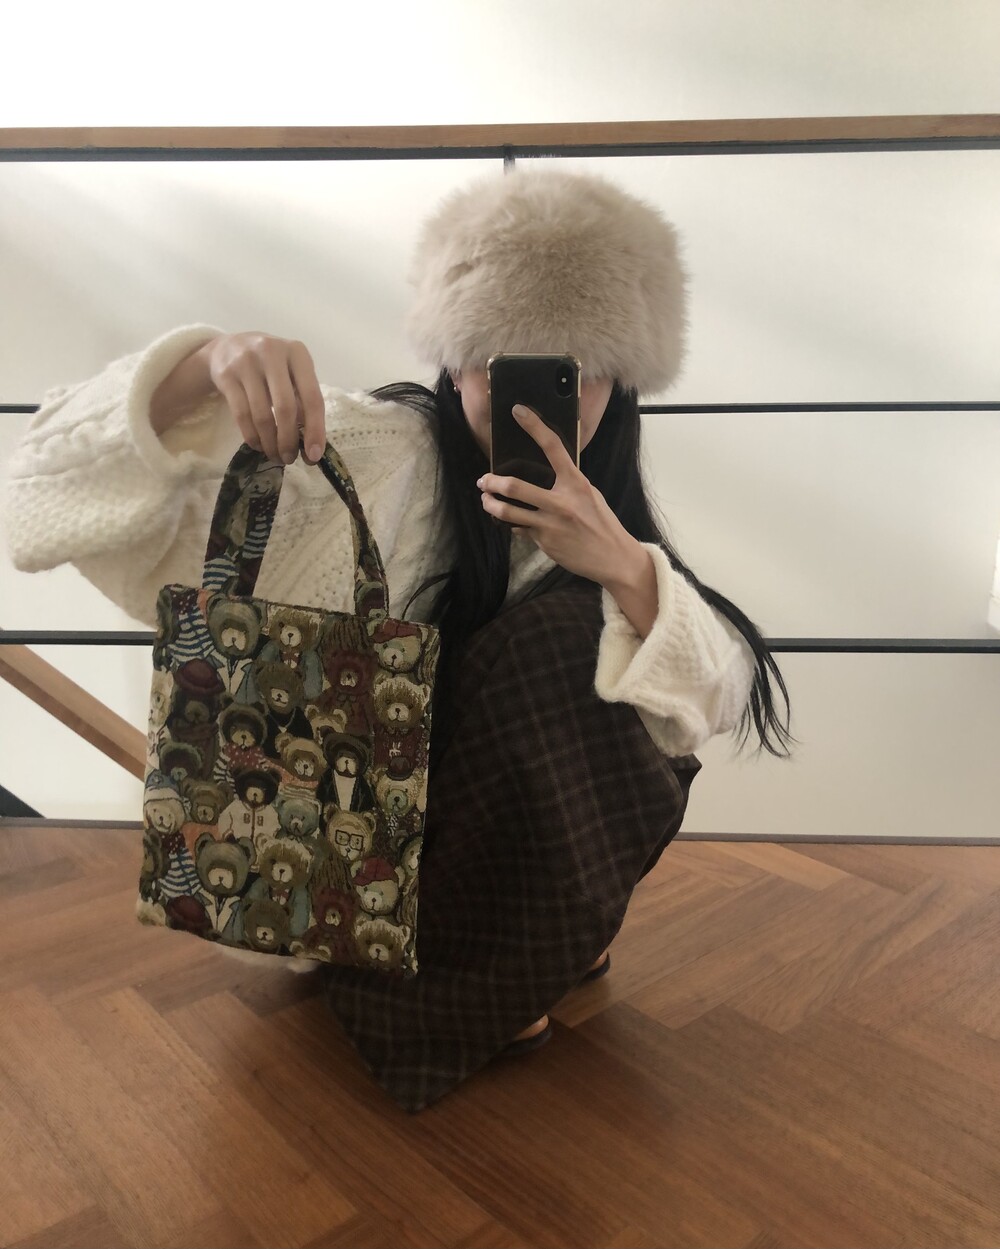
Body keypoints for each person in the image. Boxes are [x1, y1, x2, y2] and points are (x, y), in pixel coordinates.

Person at [3, 167, 792, 1112]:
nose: (532, 399)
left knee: (584, 630)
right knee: (565, 637)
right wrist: (202, 364)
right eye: (497, 362)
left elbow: (719, 692)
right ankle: (455, 982)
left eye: (572, 371)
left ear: (622, 381)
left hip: (477, 862)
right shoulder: (370, 448)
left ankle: (516, 952)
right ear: (452, 359)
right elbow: (39, 472)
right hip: (338, 858)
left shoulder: (610, 517)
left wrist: (625, 567)